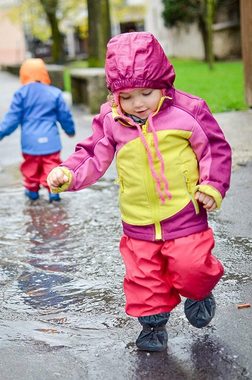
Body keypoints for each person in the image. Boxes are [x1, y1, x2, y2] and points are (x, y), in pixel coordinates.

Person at [47, 32, 232, 351]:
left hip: (184, 212)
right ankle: (153, 326)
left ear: (163, 83)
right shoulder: (112, 120)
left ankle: (199, 291)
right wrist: (68, 172)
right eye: (127, 96)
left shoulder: (187, 111)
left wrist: (212, 185)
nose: (138, 104)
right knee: (144, 279)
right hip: (138, 220)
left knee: (192, 267)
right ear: (114, 93)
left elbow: (214, 148)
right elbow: (92, 154)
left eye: (147, 93)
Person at [0, 58, 75, 202]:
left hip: (30, 142)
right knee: (52, 166)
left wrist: (1, 132)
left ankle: (32, 191)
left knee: (31, 167)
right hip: (51, 141)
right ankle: (54, 192)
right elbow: (64, 115)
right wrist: (69, 130)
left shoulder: (21, 94)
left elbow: (12, 119)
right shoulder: (54, 93)